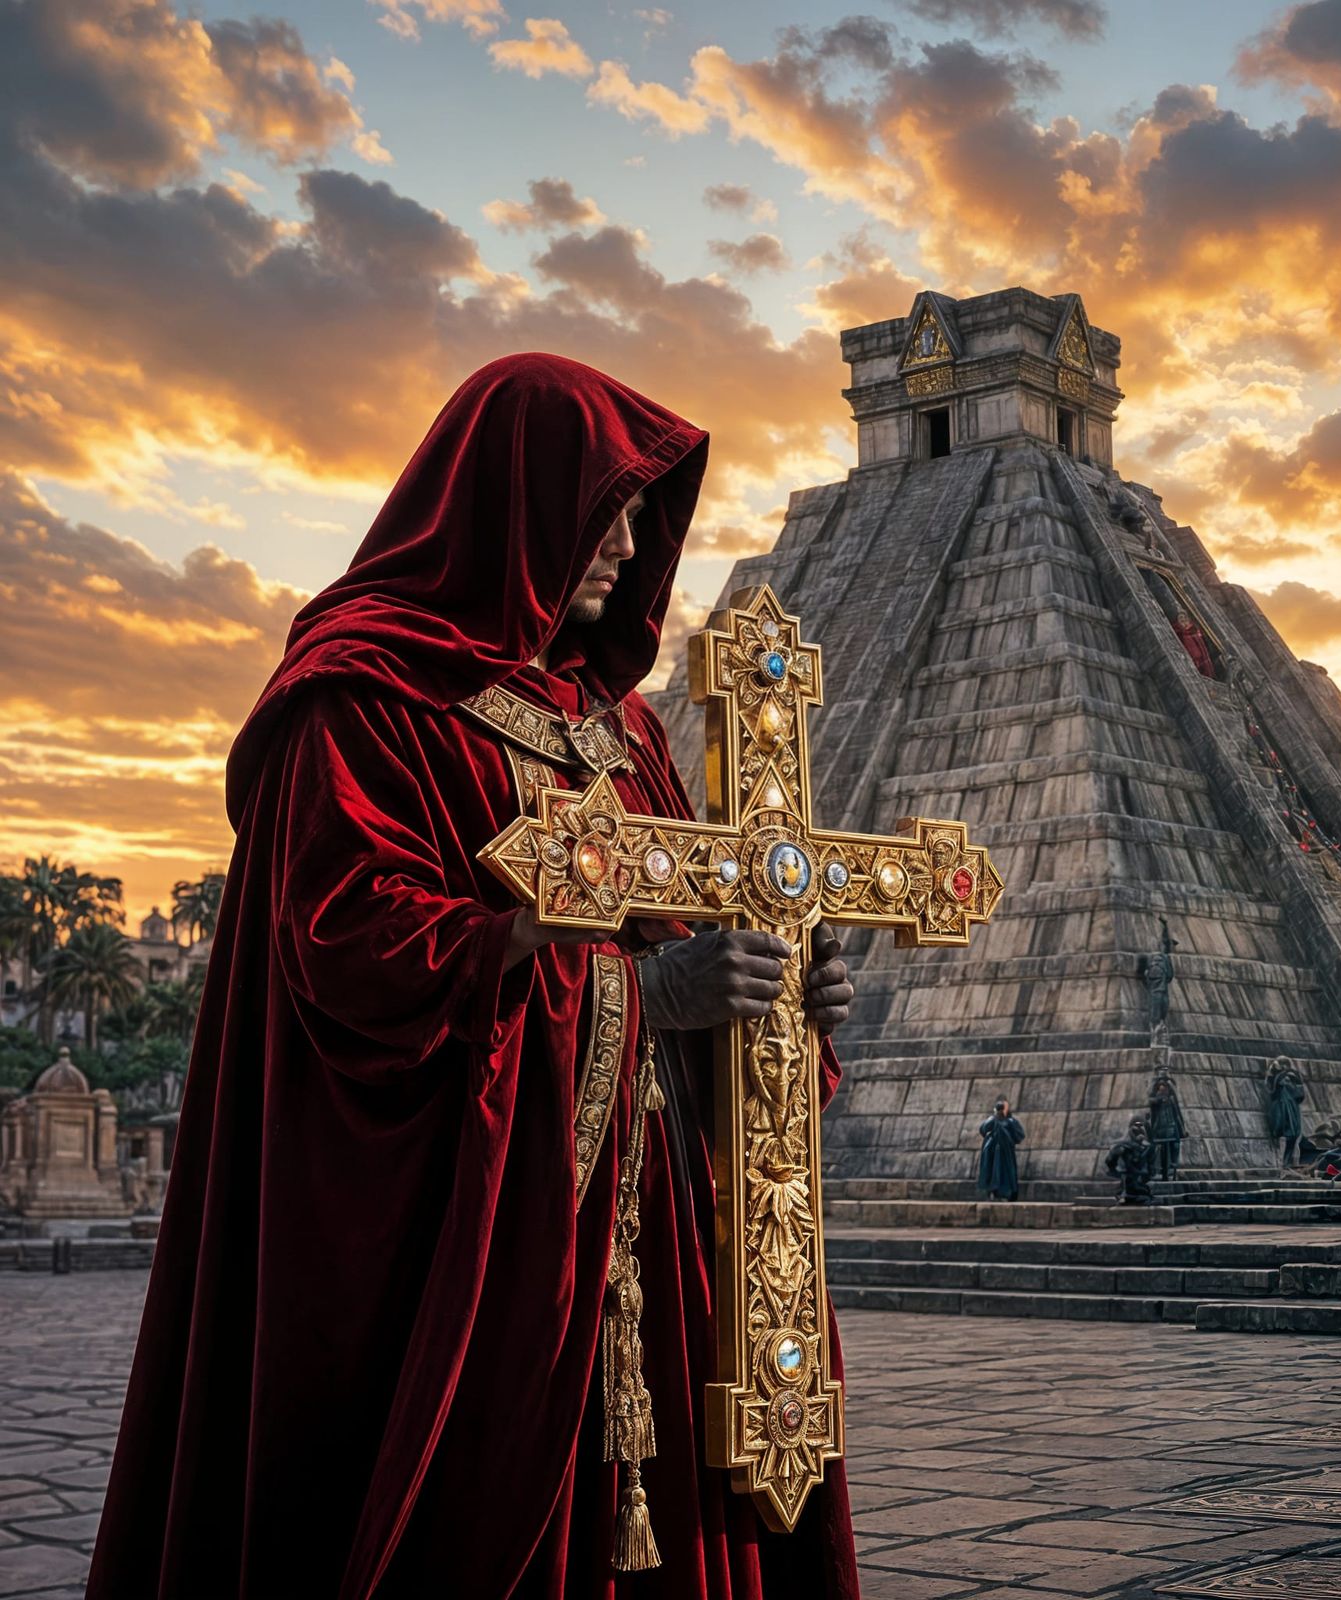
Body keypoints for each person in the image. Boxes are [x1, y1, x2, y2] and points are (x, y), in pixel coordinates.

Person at [87, 355, 861, 1600]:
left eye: (635, 512)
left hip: (650, 1234)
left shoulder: (625, 731)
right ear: (508, 501)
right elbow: (351, 954)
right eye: (597, 505)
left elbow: (680, 935)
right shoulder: (365, 706)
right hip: (475, 1248)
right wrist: (644, 996)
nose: (625, 541)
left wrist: (770, 1008)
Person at [977, 1098, 1025, 1200]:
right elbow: (983, 1129)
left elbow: (1019, 1135)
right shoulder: (994, 1120)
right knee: (997, 1172)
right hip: (995, 1153)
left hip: (1004, 1152)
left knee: (1004, 1173)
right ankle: (996, 1192)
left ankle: (1003, 1193)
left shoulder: (1009, 1121)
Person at [1264, 1056, 1305, 1169]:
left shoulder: (1291, 1076)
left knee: (1293, 1135)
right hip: (1283, 1107)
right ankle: (1285, 1162)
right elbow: (1272, 1089)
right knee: (1288, 1133)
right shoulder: (1280, 1078)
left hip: (1290, 1107)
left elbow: (1300, 1094)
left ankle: (1287, 1161)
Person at [1105, 1116, 1154, 1204]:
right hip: (1128, 1176)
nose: (1138, 1130)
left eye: (1141, 1127)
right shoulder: (1123, 1146)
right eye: (1136, 1127)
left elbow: (1150, 1165)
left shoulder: (1146, 1147)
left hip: (1138, 1177)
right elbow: (1110, 1161)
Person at [1147, 1072, 1186, 1181]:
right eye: (1160, 1087)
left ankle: (1172, 1166)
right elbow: (1149, 1100)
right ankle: (1155, 1169)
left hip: (1171, 1127)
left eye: (1164, 1086)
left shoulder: (1171, 1098)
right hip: (1159, 1128)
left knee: (1175, 1147)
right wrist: (1158, 1098)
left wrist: (1182, 1128)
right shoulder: (1155, 1099)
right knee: (1157, 1149)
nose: (1162, 1089)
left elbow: (1177, 1113)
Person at [1172, 609, 1216, 678]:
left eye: (1184, 617)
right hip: (1189, 657)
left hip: (1199, 657)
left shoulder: (1194, 630)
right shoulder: (1178, 631)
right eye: (1180, 618)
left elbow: (1202, 645)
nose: (1183, 619)